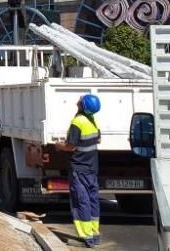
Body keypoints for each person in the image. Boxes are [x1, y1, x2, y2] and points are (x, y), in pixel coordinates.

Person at [56, 94, 102, 248]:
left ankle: (86, 237)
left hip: (79, 168)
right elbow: (98, 139)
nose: (78, 99)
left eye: (81, 99)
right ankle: (94, 234)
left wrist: (58, 145)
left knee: (81, 201)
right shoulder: (91, 119)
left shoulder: (78, 121)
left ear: (82, 105)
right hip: (91, 168)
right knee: (93, 200)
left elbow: (71, 146)